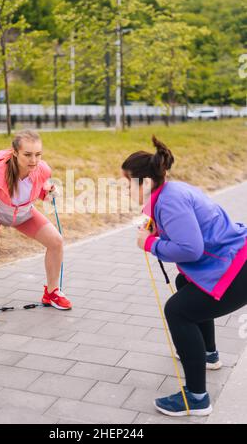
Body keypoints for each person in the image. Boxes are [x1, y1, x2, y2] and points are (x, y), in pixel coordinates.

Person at [121, 135, 247, 417]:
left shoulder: (169, 201)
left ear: (145, 182)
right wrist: (155, 233)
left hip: (237, 268)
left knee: (177, 311)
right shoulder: (168, 192)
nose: (124, 187)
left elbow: (191, 249)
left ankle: (197, 397)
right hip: (235, 259)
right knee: (183, 283)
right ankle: (208, 354)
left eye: (126, 181)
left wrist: (150, 243)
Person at [0, 130, 72, 321]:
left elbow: (40, 192)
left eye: (38, 154)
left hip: (22, 215)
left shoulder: (42, 170)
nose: (34, 160)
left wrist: (49, 191)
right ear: (15, 152)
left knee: (56, 241)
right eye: (28, 154)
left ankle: (52, 292)